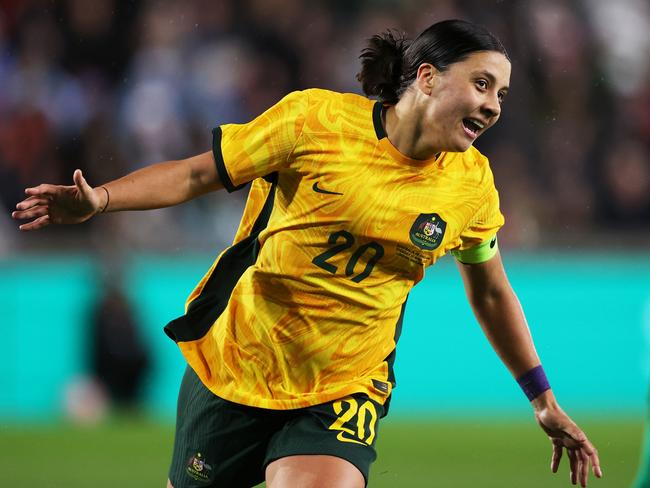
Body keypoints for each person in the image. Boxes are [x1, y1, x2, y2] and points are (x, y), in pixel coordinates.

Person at [12, 19, 602, 488]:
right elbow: (196, 175)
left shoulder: (472, 186)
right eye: (481, 84)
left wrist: (543, 400)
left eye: (501, 93)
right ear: (426, 77)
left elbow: (493, 292)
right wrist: (103, 199)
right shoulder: (313, 121)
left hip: (345, 385)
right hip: (240, 360)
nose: (494, 105)